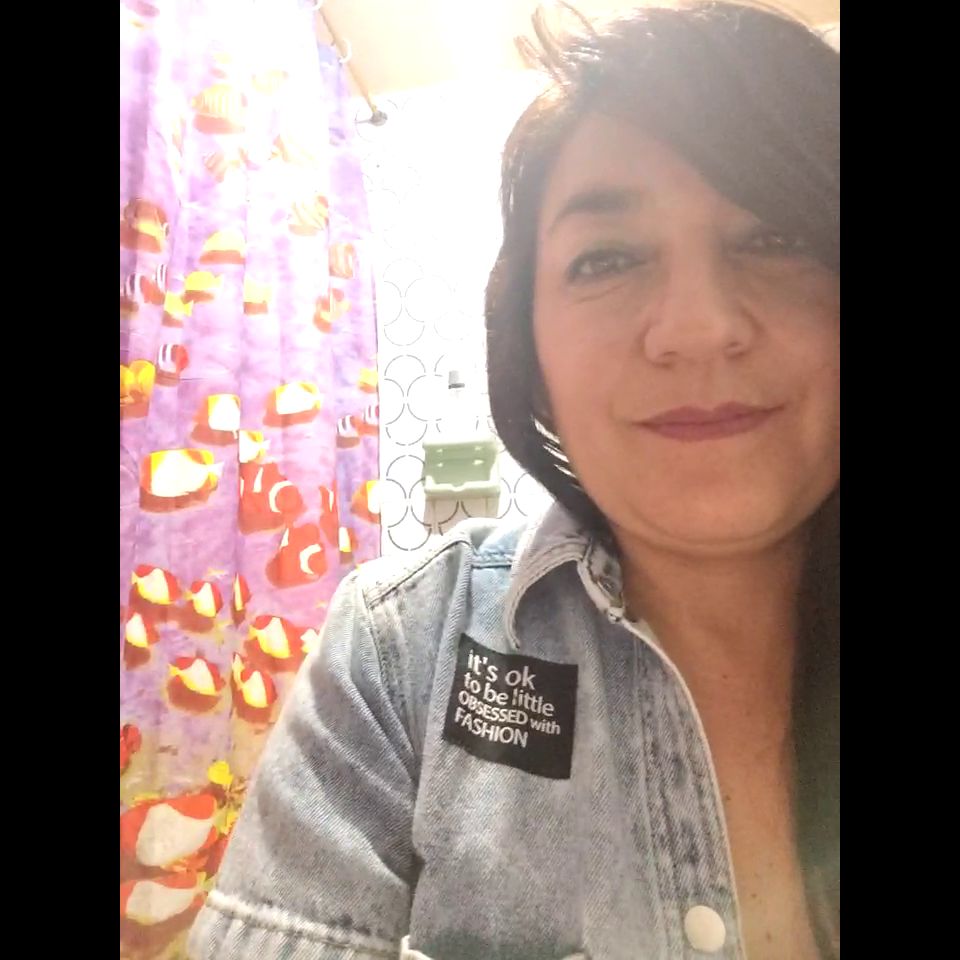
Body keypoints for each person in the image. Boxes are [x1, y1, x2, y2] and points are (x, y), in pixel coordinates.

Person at [188, 3, 840, 958]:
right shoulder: (398, 651)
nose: (698, 326)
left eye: (777, 239)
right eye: (608, 258)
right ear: (528, 349)